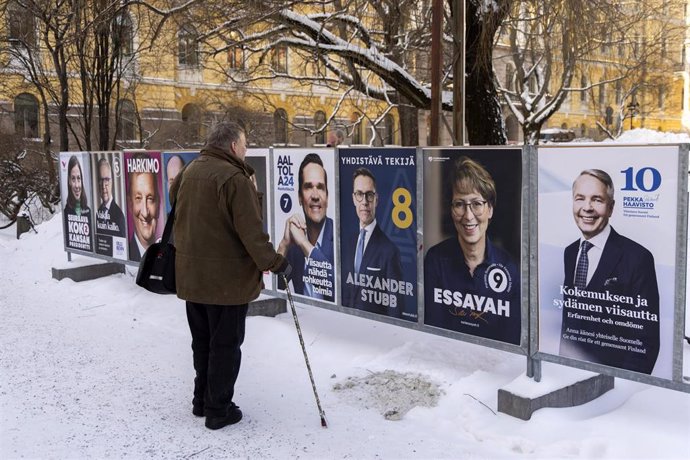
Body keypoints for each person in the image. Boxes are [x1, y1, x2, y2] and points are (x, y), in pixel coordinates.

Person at [170, 121, 291, 431]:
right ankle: (218, 409)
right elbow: (252, 234)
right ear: (234, 146)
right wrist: (276, 263)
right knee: (225, 345)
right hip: (226, 282)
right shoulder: (234, 178)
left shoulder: (191, 169)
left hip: (191, 276)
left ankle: (202, 400)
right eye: (245, 145)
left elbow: (175, 204)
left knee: (202, 342)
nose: (246, 150)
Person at [560, 169, 660, 374]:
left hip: (613, 385)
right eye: (580, 198)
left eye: (597, 199)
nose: (587, 208)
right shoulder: (570, 253)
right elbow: (569, 320)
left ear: (611, 207)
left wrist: (624, 386)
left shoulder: (638, 258)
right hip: (571, 374)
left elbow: (645, 340)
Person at [424, 156, 520, 344]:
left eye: (476, 204)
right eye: (459, 204)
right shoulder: (435, 260)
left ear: (490, 209)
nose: (468, 216)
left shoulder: (510, 268)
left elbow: (511, 339)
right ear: (451, 210)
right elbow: (432, 331)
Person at [342, 167, 404, 316]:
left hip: (375, 331)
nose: (364, 202)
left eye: (369, 195)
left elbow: (395, 309)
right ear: (353, 198)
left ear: (376, 200)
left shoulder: (389, 250)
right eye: (359, 194)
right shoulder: (348, 243)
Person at [277, 153, 335, 301]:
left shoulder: (340, 237)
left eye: (320, 187)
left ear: (327, 196)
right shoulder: (295, 243)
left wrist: (305, 244)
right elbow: (275, 285)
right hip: (305, 317)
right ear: (299, 197)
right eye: (308, 187)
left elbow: (336, 286)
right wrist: (284, 245)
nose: (315, 195)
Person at [127, 152, 160, 262]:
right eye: (138, 198)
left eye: (150, 198)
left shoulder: (168, 253)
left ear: (158, 203)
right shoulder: (127, 253)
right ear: (130, 204)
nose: (145, 213)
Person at [63, 155, 93, 251]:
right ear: (69, 181)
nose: (76, 185)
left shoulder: (89, 211)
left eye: (79, 179)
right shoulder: (66, 213)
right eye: (73, 179)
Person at [96, 158, 126, 238]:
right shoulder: (98, 212)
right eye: (100, 180)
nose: (103, 186)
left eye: (106, 180)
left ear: (112, 182)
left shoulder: (119, 215)